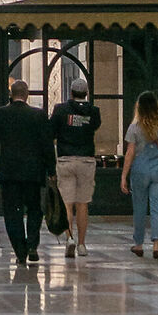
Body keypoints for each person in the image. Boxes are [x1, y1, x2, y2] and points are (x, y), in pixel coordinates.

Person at [0, 77, 54, 268]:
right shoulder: (39, 115)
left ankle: (20, 250)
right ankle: (33, 244)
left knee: (12, 212)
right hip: (33, 172)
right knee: (34, 209)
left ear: (11, 94)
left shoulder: (1, 113)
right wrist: (51, 169)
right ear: (26, 95)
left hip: (9, 171)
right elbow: (47, 144)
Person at [49, 75, 103, 257]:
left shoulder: (60, 110)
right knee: (83, 203)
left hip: (66, 159)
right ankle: (82, 244)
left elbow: (52, 131)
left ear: (71, 93)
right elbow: (94, 127)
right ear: (86, 93)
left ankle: (69, 238)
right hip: (86, 159)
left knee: (67, 203)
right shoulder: (94, 111)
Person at [121, 89, 158, 258]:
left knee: (139, 207)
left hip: (140, 170)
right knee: (157, 208)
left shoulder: (135, 127)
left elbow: (130, 153)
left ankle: (138, 244)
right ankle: (156, 245)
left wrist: (124, 175)